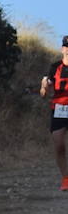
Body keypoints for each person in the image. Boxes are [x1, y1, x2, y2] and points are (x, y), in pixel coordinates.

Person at [38, 36, 68, 190]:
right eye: (67, 46)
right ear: (63, 49)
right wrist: (44, 87)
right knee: (59, 145)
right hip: (59, 109)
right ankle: (65, 178)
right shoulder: (54, 67)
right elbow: (43, 93)